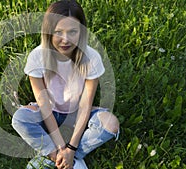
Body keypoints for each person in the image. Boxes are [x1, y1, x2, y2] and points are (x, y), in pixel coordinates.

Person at [12, 0, 120, 168]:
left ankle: (70, 157)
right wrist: (61, 146)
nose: (65, 40)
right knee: (20, 118)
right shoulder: (37, 57)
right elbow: (43, 104)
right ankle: (56, 157)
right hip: (50, 112)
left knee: (110, 123)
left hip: (77, 114)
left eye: (72, 32)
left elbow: (85, 105)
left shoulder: (91, 58)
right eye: (58, 32)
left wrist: (71, 147)